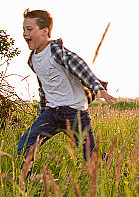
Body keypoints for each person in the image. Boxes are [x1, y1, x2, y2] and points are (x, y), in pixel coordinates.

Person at [17, 9, 116, 175]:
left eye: (29, 29)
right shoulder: (33, 59)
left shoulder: (56, 51)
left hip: (74, 114)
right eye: (23, 29)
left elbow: (78, 65)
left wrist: (97, 86)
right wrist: (41, 115)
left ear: (44, 31)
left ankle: (124, 171)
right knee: (25, 145)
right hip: (51, 113)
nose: (25, 33)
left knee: (90, 156)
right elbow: (44, 89)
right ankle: (31, 184)